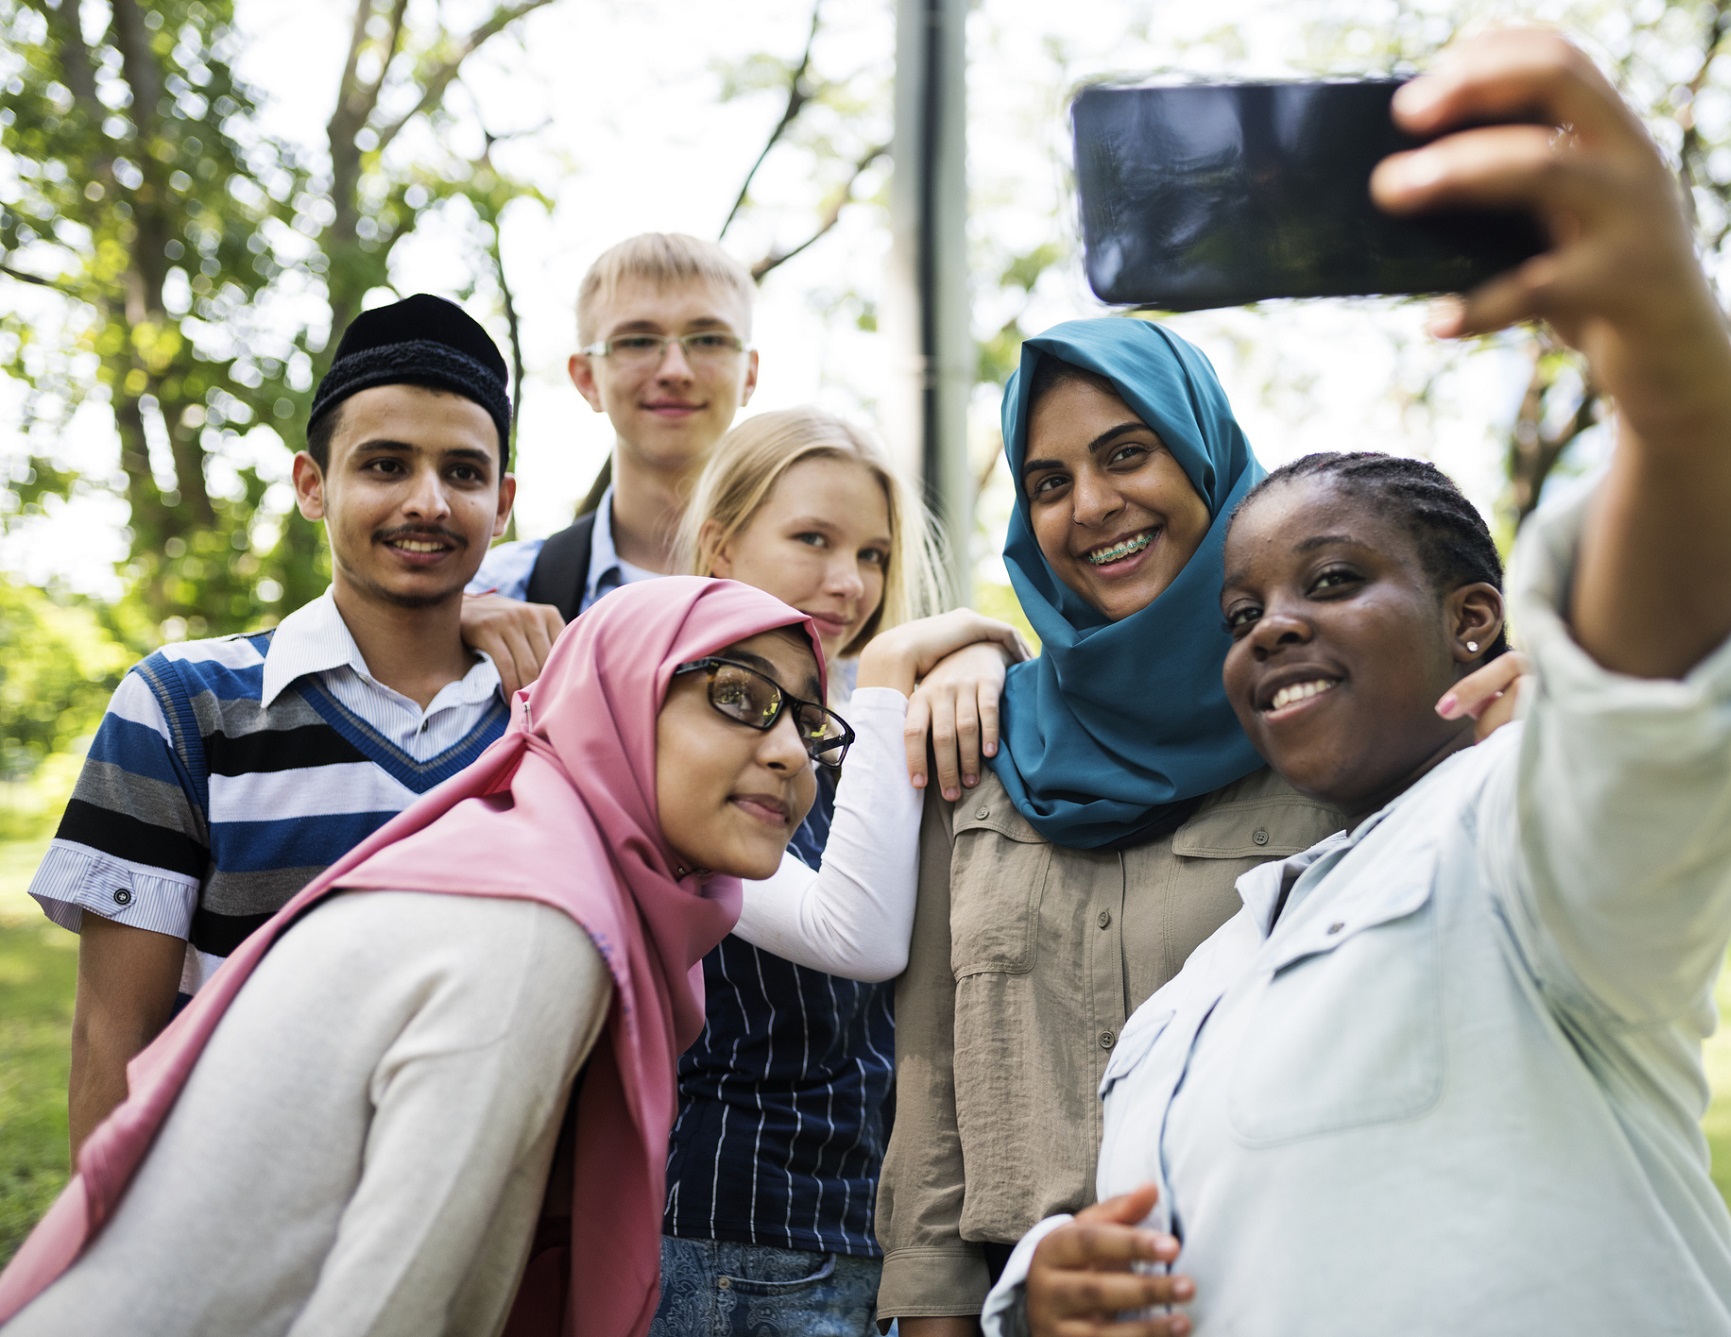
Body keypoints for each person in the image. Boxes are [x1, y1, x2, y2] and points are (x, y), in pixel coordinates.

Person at [988, 30, 1731, 1337]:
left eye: (1330, 581)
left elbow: (1673, 670)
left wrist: (1668, 358)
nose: (1269, 630)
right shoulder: (1180, 1011)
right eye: (1241, 610)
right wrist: (1036, 1298)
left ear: (1472, 620)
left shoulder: (1520, 844)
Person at [874, 313, 1529, 1331]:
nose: (1090, 505)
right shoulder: (977, 736)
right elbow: (930, 1099)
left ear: (1206, 461)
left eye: (1126, 452)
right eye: (1047, 481)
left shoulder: (1335, 728)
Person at [0, 577, 856, 1336]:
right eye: (740, 696)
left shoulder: (532, 857)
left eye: (812, 722)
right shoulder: (538, 927)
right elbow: (386, 1309)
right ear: (621, 695)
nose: (790, 751)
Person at [29, 293, 519, 1161]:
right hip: (230, 1242)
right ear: (311, 485)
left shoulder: (545, 722)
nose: (429, 501)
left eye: (465, 473)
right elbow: (113, 1038)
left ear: (504, 502)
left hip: (484, 1252)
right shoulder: (183, 706)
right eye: (385, 465)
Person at [649, 407, 1023, 1336]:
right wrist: (904, 661)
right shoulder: (670, 728)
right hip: (731, 1239)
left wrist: (971, 653)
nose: (848, 581)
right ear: (722, 546)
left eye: (874, 555)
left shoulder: (848, 729)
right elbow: (852, 935)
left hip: (869, 1232)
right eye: (812, 539)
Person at [463, 232, 761, 693]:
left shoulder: (824, 597)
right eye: (638, 341)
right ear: (586, 378)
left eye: (707, 339)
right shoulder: (497, 590)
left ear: (750, 374)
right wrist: (434, 624)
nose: (675, 370)